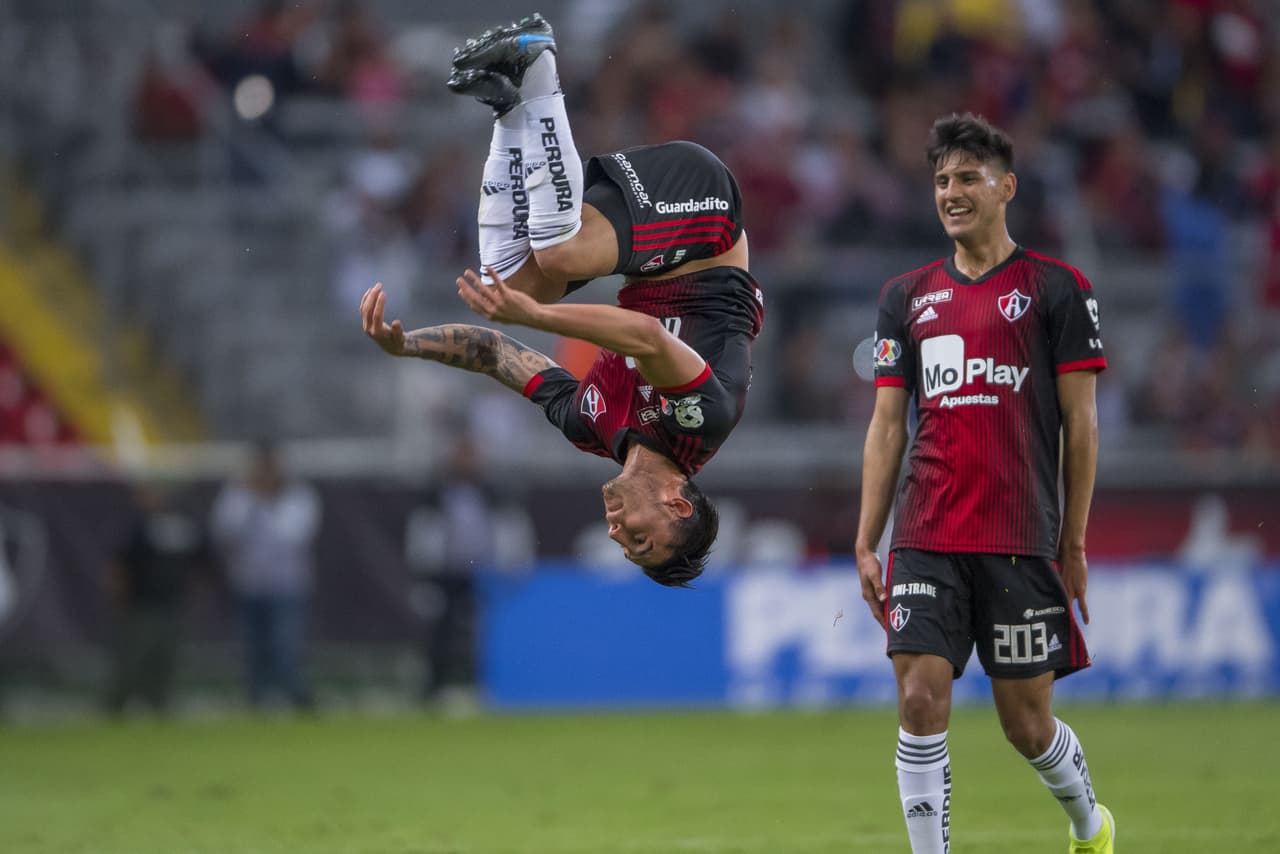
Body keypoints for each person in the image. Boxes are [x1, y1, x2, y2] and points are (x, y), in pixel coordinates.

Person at [361, 13, 764, 586]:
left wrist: (407, 346)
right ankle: (539, 65)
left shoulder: (589, 426)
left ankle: (511, 107)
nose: (617, 533)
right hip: (706, 217)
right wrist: (539, 316)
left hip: (650, 251)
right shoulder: (699, 423)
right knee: (559, 259)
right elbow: (648, 338)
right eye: (641, 538)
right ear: (678, 503)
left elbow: (495, 354)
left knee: (509, 280)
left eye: (626, 547)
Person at [855, 113, 1114, 854]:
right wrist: (867, 540)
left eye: (968, 178)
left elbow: (1082, 427)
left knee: (1025, 725)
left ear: (1006, 187)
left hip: (1018, 534)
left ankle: (1091, 827)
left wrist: (1075, 541)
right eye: (941, 180)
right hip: (928, 532)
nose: (952, 192)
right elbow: (885, 426)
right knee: (918, 699)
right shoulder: (906, 298)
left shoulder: (1056, 290)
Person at [210, 441, 321, 710]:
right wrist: (249, 498)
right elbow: (226, 528)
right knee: (253, 648)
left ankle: (296, 698)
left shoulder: (299, 496)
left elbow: (291, 535)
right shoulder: (238, 494)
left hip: (287, 585)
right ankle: (257, 700)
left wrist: (266, 503)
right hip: (248, 584)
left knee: (285, 645)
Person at [103, 479, 207, 715]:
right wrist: (119, 598)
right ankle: (116, 707)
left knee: (166, 661)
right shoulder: (136, 525)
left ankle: (159, 706)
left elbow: (201, 560)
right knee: (131, 659)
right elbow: (119, 565)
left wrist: (194, 593)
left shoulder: (184, 524)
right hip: (140, 604)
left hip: (172, 604)